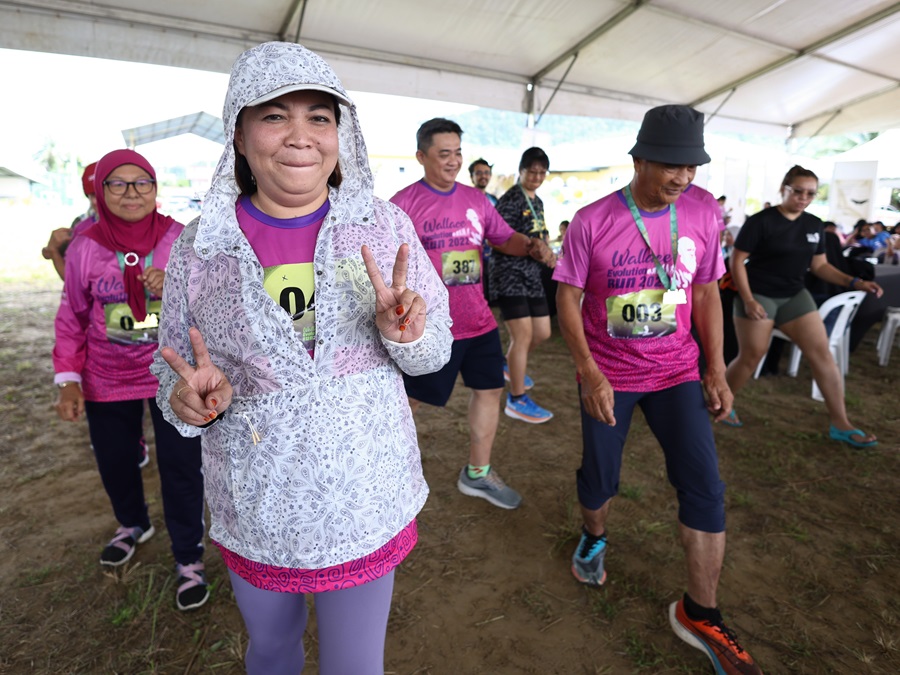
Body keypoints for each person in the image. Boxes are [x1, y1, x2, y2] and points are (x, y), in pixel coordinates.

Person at [151, 42, 452, 675]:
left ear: (342, 133)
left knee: (355, 664)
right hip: (259, 502)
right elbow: (171, 367)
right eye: (273, 115)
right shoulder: (201, 249)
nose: (300, 136)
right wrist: (188, 401)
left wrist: (407, 335)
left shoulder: (382, 228)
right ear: (238, 134)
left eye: (320, 116)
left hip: (363, 498)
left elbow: (432, 355)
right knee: (271, 652)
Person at [554, 105, 763, 675]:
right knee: (600, 480)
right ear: (639, 160)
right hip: (611, 374)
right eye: (672, 166)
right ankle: (594, 536)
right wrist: (589, 371)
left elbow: (706, 292)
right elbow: (568, 297)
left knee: (705, 486)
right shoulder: (592, 220)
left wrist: (715, 368)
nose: (682, 178)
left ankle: (701, 612)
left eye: (691, 167)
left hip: (677, 373)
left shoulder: (703, 210)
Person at [52, 149, 207, 611]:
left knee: (181, 467)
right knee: (116, 460)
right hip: (106, 376)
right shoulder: (84, 246)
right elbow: (72, 315)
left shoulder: (180, 238)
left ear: (156, 189)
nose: (131, 193)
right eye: (117, 183)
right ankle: (133, 523)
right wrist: (68, 379)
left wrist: (175, 284)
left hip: (171, 374)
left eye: (142, 182)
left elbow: (212, 301)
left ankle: (189, 556)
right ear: (100, 192)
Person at [391, 118, 554, 509]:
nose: (453, 161)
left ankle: (478, 473)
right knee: (409, 401)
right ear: (421, 156)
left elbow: (504, 238)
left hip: (478, 321)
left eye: (458, 152)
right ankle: (386, 470)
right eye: (444, 153)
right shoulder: (402, 204)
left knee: (490, 390)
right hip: (430, 326)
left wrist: (531, 246)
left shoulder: (478, 200)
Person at [724, 166, 882, 448]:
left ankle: (841, 424)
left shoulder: (813, 224)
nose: (803, 198)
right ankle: (720, 402)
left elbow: (820, 266)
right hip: (759, 294)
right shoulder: (762, 221)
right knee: (752, 355)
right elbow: (737, 261)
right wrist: (748, 300)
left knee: (822, 354)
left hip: (794, 295)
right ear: (784, 189)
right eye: (798, 191)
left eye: (810, 194)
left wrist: (855, 282)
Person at [490, 147, 558, 423]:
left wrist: (546, 248)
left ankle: (510, 363)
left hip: (532, 274)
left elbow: (539, 234)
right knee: (523, 336)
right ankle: (516, 399)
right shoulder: (511, 199)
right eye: (532, 171)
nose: (537, 177)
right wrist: (532, 247)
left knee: (542, 332)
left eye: (542, 172)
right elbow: (498, 238)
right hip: (509, 274)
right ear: (521, 171)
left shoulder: (537, 201)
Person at [42, 161, 98, 280]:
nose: (96, 201)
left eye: (101, 194)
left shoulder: (130, 221)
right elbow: (73, 279)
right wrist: (52, 251)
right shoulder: (81, 223)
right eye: (92, 195)